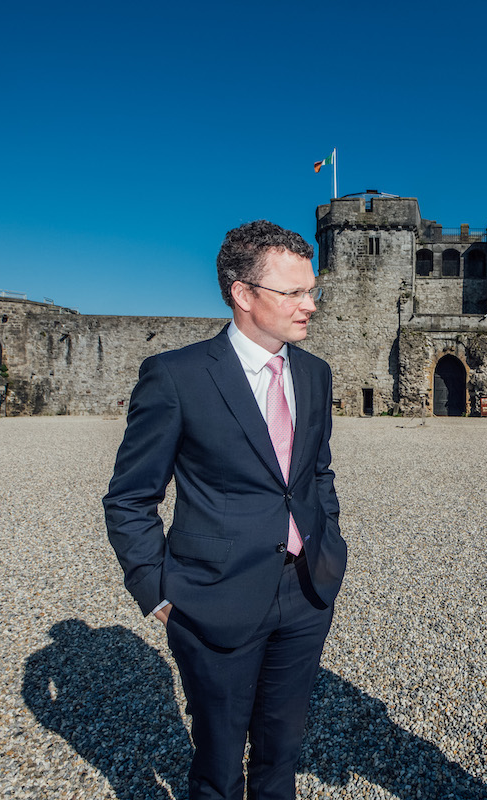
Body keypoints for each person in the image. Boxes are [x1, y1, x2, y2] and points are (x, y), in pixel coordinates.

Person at [104, 220, 347, 800]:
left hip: (307, 592)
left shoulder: (314, 373)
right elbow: (130, 498)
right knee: (216, 763)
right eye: (294, 293)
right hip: (212, 596)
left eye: (311, 290)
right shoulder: (177, 376)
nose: (310, 306)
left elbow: (316, 473)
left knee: (281, 751)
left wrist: (328, 543)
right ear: (243, 294)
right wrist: (157, 591)